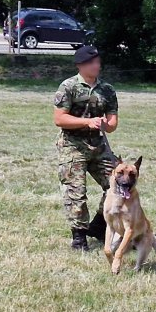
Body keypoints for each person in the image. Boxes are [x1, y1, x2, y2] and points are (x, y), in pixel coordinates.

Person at [53, 45, 118, 251]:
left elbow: (113, 123)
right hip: (72, 145)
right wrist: (87, 122)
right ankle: (79, 237)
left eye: (98, 62)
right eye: (91, 63)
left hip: (98, 144)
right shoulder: (68, 86)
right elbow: (59, 119)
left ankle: (98, 226)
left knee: (117, 184)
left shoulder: (107, 89)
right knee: (76, 191)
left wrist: (105, 124)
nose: (96, 66)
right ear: (80, 65)